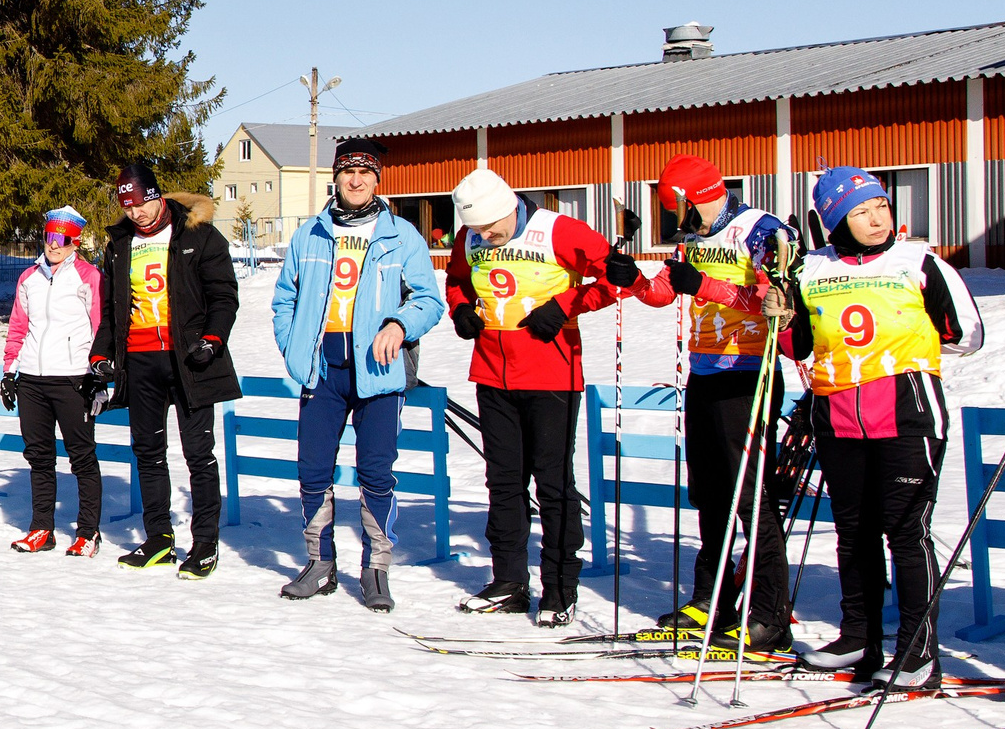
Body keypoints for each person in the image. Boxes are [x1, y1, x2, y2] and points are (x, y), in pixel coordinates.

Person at [788, 168, 983, 685]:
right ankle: (859, 640)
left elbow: (967, 334)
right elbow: (799, 346)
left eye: (881, 206)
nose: (877, 220)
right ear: (836, 221)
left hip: (907, 413)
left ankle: (917, 653)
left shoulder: (918, 262)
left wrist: (903, 350)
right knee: (852, 533)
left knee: (904, 530)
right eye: (860, 212)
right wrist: (781, 315)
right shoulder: (811, 269)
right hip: (839, 415)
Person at [445, 168, 636, 625]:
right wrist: (461, 310)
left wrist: (566, 305)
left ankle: (560, 587)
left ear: (511, 208)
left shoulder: (558, 230)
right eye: (477, 231)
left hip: (552, 374)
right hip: (493, 374)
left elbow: (617, 276)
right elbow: (456, 279)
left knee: (552, 483)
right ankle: (508, 580)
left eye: (492, 228)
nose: (486, 238)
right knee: (504, 481)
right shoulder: (471, 236)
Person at [630, 155, 798, 650]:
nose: (676, 221)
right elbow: (664, 291)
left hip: (749, 374)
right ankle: (713, 599)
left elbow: (776, 303)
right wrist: (631, 277)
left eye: (676, 209)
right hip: (704, 372)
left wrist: (705, 285)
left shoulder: (759, 231)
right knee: (710, 493)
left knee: (750, 497)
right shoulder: (694, 237)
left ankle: (770, 614)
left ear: (689, 198)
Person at [270, 139, 446, 609]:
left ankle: (375, 570)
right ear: (336, 177)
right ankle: (320, 563)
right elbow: (284, 299)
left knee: (375, 473)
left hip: (378, 372)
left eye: (365, 172)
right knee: (312, 471)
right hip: (322, 370)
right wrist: (294, 349)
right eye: (348, 171)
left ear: (377, 179)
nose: (356, 180)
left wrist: (400, 323)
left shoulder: (401, 235)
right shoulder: (310, 234)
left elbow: (430, 300)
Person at [95, 163, 241, 574]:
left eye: (141, 203)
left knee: (198, 453)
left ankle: (205, 543)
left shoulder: (198, 234)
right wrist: (101, 354)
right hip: (140, 361)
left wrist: (212, 340)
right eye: (127, 207)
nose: (136, 213)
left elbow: (224, 296)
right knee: (148, 452)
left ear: (158, 195)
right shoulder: (120, 243)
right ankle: (159, 537)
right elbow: (112, 309)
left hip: (191, 360)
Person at [3, 206, 106, 555]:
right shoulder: (29, 277)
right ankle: (41, 528)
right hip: (32, 377)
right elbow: (18, 326)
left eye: (62, 239)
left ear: (74, 241)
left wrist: (98, 373)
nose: (54, 245)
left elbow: (99, 327)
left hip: (73, 378)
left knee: (81, 456)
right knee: (39, 456)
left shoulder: (88, 277)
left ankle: (88, 531)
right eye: (49, 237)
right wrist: (9, 371)